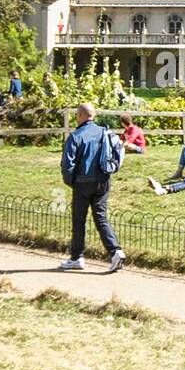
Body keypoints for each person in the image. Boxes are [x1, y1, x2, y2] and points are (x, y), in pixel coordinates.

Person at [58, 102, 126, 273]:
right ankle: (116, 251)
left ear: (80, 115)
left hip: (82, 183)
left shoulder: (76, 136)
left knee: (79, 220)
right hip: (103, 181)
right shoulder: (104, 132)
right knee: (101, 218)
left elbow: (67, 164)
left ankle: (77, 257)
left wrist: (71, 181)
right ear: (93, 115)